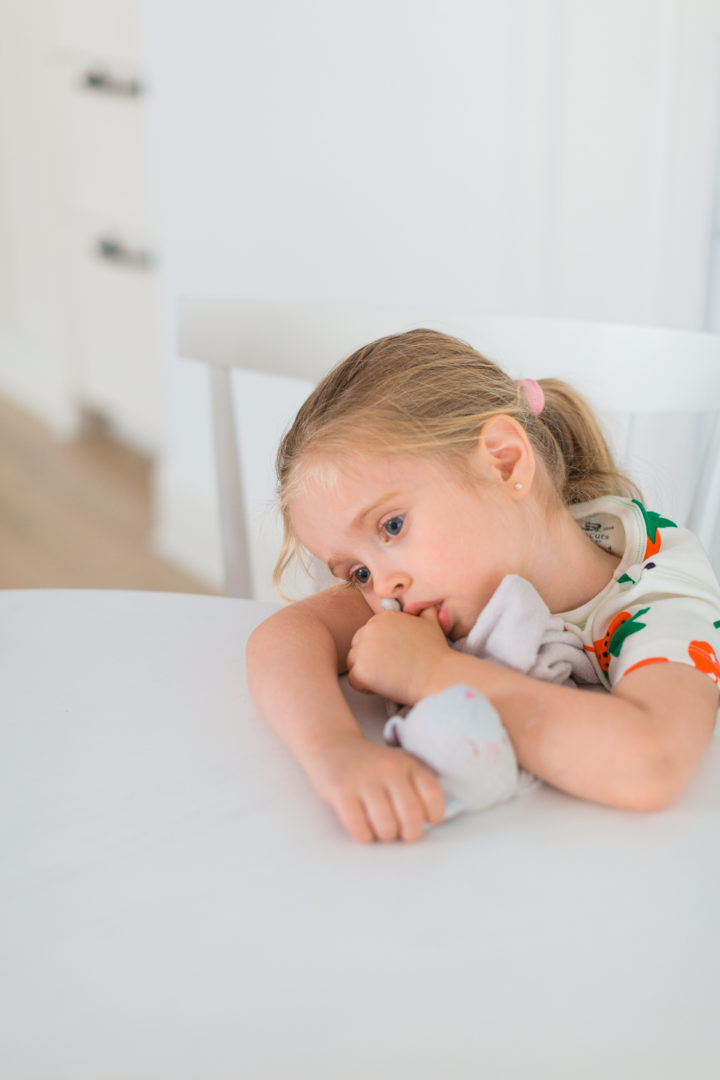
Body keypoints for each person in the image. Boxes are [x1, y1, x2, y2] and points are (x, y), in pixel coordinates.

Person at [246, 329, 720, 844]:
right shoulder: (430, 587)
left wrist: (433, 671)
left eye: (393, 526)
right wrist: (338, 754)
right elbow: (285, 637)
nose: (383, 586)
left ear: (504, 463)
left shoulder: (659, 598)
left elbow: (652, 764)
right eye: (357, 572)